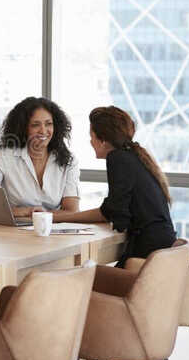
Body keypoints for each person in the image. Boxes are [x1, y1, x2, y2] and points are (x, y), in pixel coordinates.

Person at [48, 105, 178, 264]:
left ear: (102, 140)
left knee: (86, 274)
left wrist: (58, 217)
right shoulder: (134, 155)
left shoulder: (117, 158)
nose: (90, 142)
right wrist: (59, 217)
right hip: (161, 250)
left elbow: (114, 212)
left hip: (147, 254)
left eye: (91, 136)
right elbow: (113, 210)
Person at [0, 97, 80, 218]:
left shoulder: (68, 160)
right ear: (23, 128)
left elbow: (72, 211)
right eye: (35, 125)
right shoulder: (5, 157)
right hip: (12, 230)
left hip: (54, 230)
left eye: (49, 124)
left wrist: (35, 215)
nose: (43, 131)